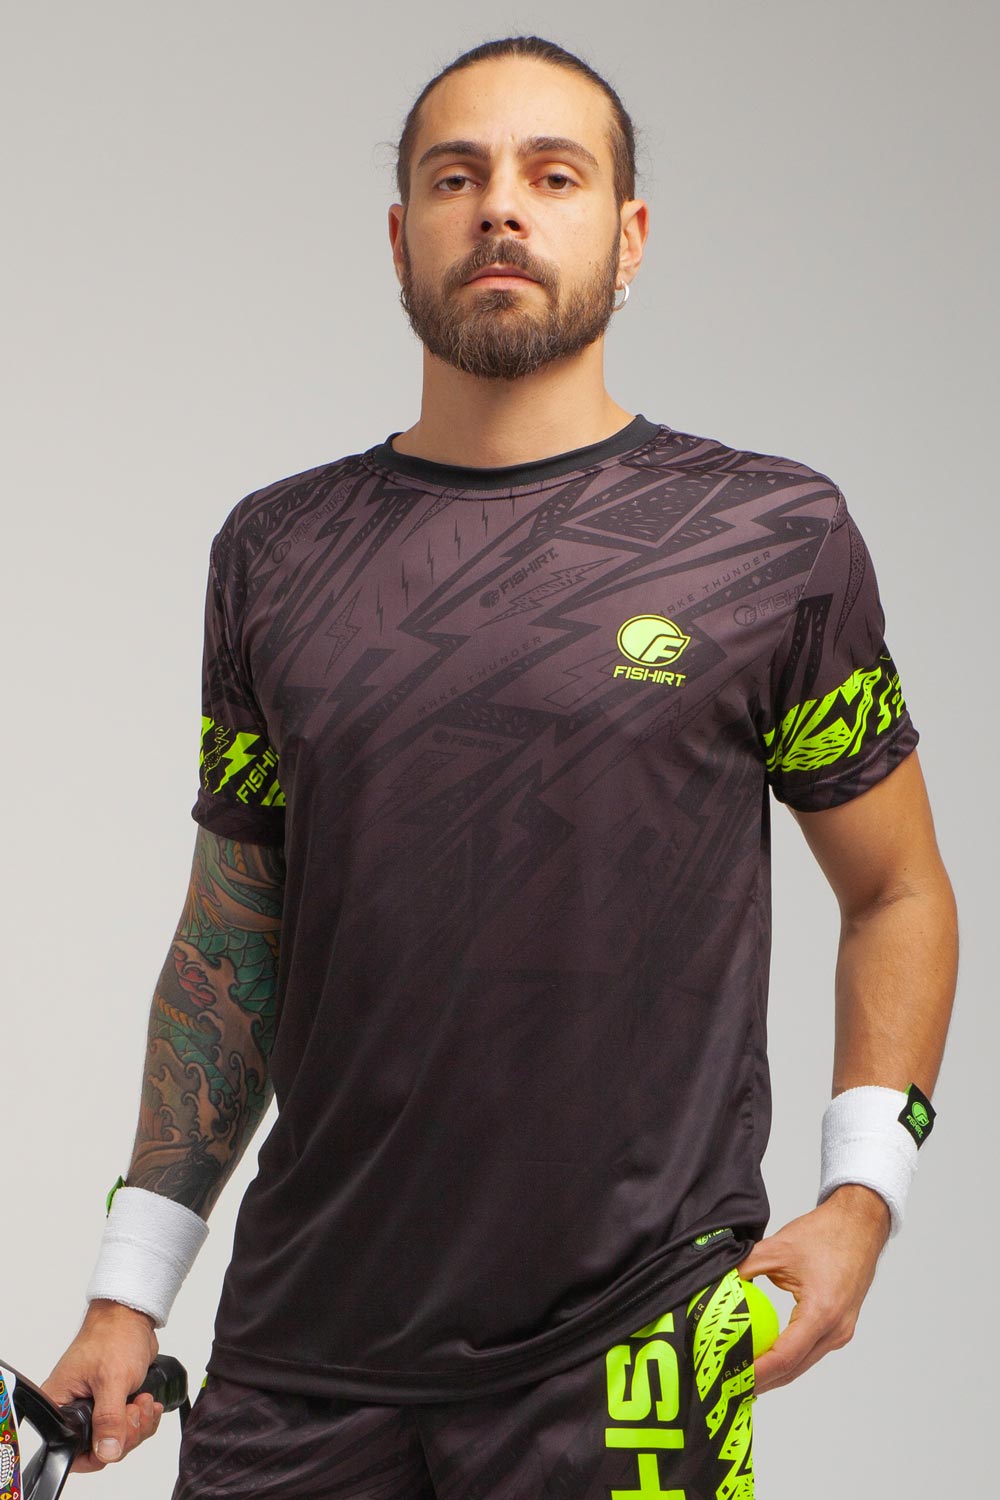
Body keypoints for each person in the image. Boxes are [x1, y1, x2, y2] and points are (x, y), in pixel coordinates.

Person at [45, 33, 958, 1499]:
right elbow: (236, 935)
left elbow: (899, 889)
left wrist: (866, 1197)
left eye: (554, 175)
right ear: (401, 236)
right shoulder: (275, 551)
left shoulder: (770, 539)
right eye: (456, 176)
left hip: (632, 1345)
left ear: (629, 235)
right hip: (301, 1353)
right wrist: (128, 1288)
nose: (502, 208)